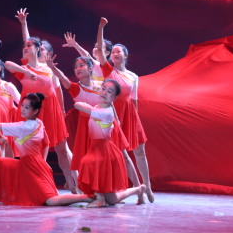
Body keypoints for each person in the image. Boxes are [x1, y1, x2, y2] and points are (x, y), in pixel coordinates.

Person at [45, 53, 140, 188]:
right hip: (88, 128)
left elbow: (110, 103)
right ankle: (95, 189)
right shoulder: (75, 88)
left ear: (90, 68)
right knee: (90, 160)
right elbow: (63, 77)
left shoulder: (101, 85)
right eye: (75, 67)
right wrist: (53, 68)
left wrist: (116, 120)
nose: (77, 69)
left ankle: (138, 187)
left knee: (123, 156)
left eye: (81, 65)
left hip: (108, 124)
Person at [0, 93, 94, 206]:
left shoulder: (23, 127)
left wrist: (1, 137)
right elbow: (46, 143)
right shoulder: (39, 123)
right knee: (0, 162)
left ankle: (87, 198)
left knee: (50, 200)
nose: (23, 109)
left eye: (27, 107)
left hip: (32, 166)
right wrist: (43, 162)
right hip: (34, 164)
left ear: (35, 111)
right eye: (22, 106)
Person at [4, 36, 77, 192]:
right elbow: (7, 64)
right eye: (24, 46)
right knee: (30, 150)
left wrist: (61, 110)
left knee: (62, 150)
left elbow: (57, 89)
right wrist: (26, 71)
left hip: (51, 111)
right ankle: (33, 184)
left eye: (29, 45)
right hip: (31, 112)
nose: (25, 48)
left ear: (37, 49)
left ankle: (72, 184)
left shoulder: (47, 68)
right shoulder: (23, 69)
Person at [95, 17, 155, 203]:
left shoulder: (133, 76)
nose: (114, 54)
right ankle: (138, 189)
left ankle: (148, 187)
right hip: (114, 114)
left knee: (140, 151)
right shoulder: (108, 71)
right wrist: (101, 27)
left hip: (130, 114)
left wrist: (135, 120)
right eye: (112, 52)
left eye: (118, 51)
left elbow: (134, 100)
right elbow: (100, 48)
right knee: (122, 154)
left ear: (126, 56)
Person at [75, 79, 146, 207]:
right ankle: (138, 189)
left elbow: (78, 105)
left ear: (114, 98)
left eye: (109, 91)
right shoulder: (97, 108)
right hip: (96, 148)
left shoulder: (106, 113)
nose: (104, 93)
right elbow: (79, 104)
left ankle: (100, 199)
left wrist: (89, 101)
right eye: (103, 89)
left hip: (104, 151)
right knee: (112, 200)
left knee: (89, 162)